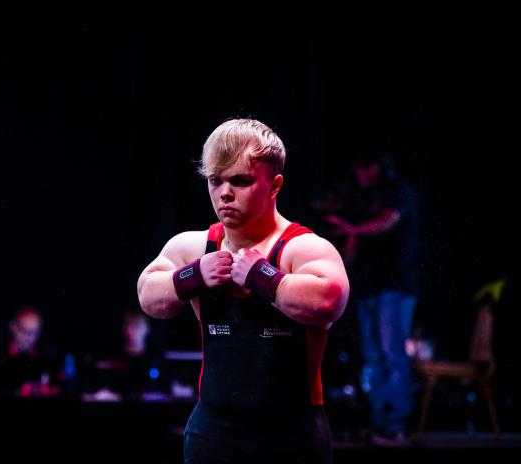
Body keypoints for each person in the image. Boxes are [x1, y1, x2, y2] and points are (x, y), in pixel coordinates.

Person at [137, 119, 350, 463]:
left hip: (293, 434)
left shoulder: (303, 249)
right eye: (215, 180)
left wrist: (262, 276)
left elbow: (330, 300)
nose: (225, 193)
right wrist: (192, 275)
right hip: (214, 431)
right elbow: (148, 294)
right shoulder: (193, 246)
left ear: (274, 185)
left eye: (241, 181)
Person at [324, 152, 419, 446]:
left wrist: (353, 230)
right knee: (372, 358)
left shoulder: (397, 192)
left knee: (392, 356)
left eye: (365, 169)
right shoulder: (364, 198)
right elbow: (352, 245)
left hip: (395, 287)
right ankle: (379, 423)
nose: (361, 176)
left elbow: (388, 221)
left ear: (378, 166)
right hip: (368, 288)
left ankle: (395, 425)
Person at [0, 306, 61, 396]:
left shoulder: (46, 354)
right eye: (25, 331)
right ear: (13, 327)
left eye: (35, 333)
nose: (30, 338)